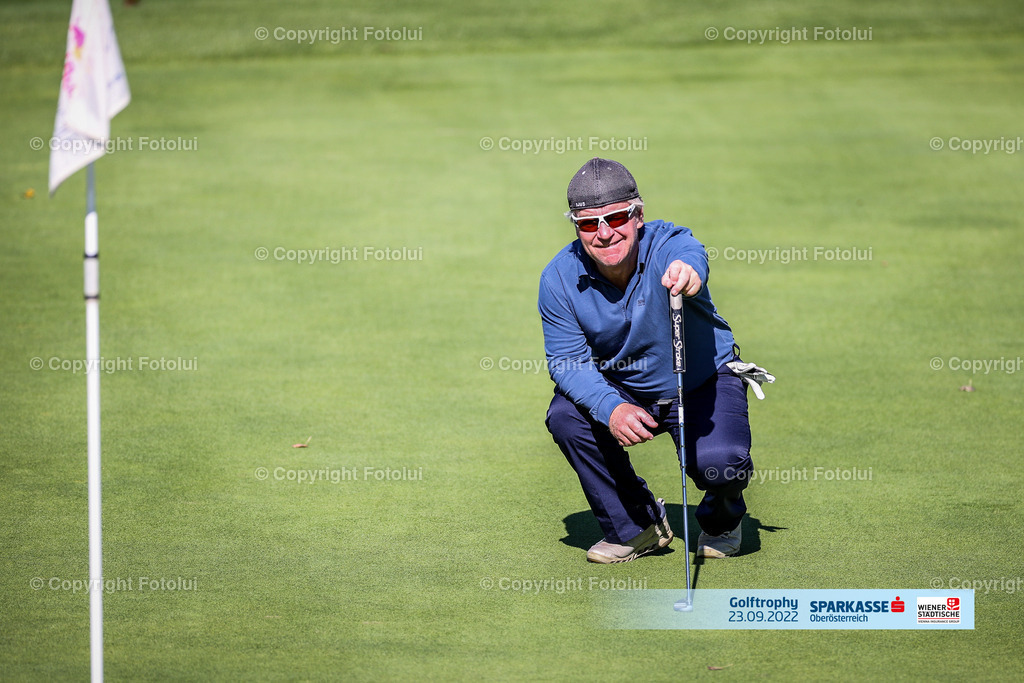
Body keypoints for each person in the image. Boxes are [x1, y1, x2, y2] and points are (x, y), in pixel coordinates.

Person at [539, 157, 770, 564]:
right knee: (565, 417)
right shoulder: (558, 277)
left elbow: (690, 252)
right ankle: (638, 526)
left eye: (615, 218)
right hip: (624, 385)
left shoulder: (669, 245)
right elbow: (566, 362)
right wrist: (612, 408)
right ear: (576, 226)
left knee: (721, 465)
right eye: (589, 224)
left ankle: (721, 521)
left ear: (638, 215)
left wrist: (689, 272)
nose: (605, 233)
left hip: (699, 381)